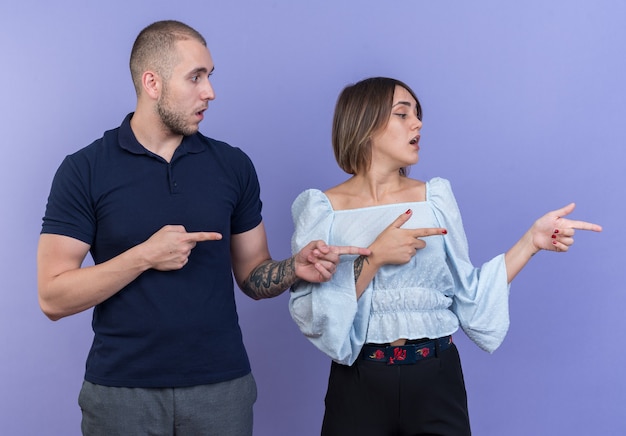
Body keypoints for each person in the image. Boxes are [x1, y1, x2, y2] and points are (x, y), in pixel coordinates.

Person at [37, 20, 369, 436]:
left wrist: (292, 268)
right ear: (152, 82)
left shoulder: (232, 166)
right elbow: (53, 296)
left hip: (222, 388)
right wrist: (144, 256)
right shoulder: (85, 169)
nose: (210, 91)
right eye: (195, 77)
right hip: (121, 393)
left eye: (209, 76)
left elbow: (252, 275)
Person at [289, 76, 602, 436]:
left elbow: (468, 293)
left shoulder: (435, 198)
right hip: (359, 381)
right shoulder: (322, 209)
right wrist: (375, 259)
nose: (417, 123)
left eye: (417, 115)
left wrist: (531, 241)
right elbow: (314, 313)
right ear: (365, 123)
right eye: (402, 114)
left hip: (436, 379)